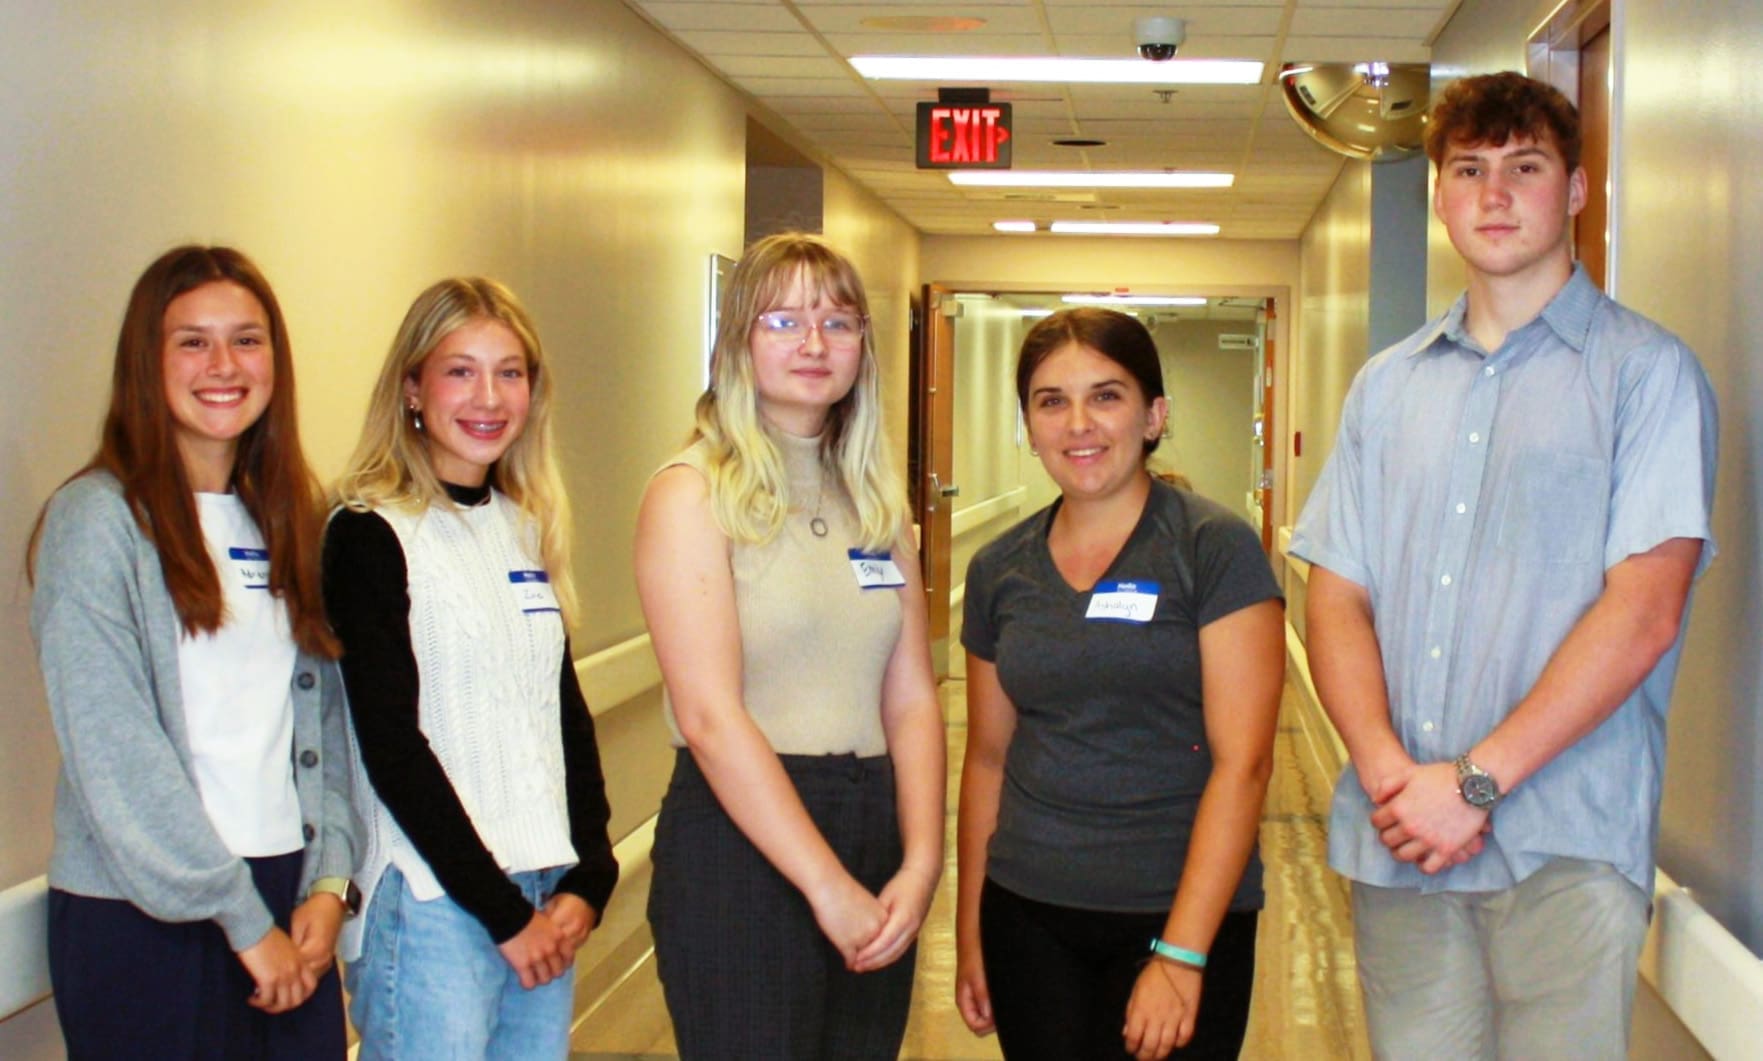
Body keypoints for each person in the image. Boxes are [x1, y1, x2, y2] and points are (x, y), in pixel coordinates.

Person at [1289, 71, 1718, 1059]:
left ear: (1574, 190)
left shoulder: (1646, 375)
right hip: (1402, 840)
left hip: (1565, 844)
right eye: (1467, 169)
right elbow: (1337, 594)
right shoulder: (1385, 387)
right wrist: (1391, 775)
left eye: (1523, 168)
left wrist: (1472, 784)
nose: (1492, 194)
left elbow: (1643, 610)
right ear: (1437, 195)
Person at [29, 245, 356, 1058]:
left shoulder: (290, 516)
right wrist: (242, 919)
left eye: (246, 340)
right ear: (147, 361)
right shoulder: (97, 522)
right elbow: (116, 752)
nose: (224, 365)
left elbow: (323, 720)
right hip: (146, 915)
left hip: (285, 895)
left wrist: (328, 881)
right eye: (192, 342)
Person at [633, 232, 945, 1060]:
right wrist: (825, 884)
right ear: (738, 339)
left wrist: (920, 863)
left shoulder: (876, 502)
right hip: (744, 841)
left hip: (873, 824)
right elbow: (709, 716)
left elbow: (912, 698)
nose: (813, 343)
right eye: (784, 321)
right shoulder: (690, 493)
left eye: (837, 322)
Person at [955, 307, 1285, 1061]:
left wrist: (1182, 954)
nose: (1079, 423)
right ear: (1029, 425)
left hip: (1179, 909)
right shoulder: (999, 569)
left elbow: (1244, 764)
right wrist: (971, 929)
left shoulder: (1212, 549)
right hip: (1027, 912)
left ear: (1153, 415)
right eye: (1051, 401)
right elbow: (988, 759)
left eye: (1105, 395)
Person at [323, 277, 617, 1060]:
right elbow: (392, 747)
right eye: (460, 370)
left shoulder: (524, 525)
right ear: (412, 387)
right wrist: (501, 913)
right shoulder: (368, 532)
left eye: (508, 372)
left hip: (539, 892)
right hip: (432, 903)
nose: (488, 397)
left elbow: (560, 715)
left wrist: (589, 874)